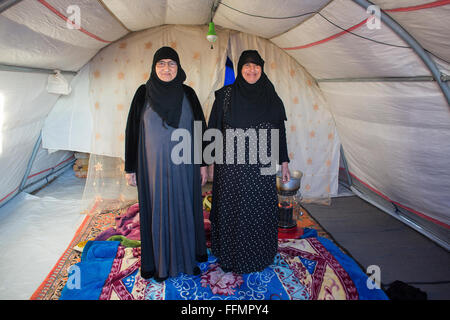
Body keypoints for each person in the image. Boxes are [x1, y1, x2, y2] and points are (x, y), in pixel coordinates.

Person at [124, 46, 208, 282]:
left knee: (185, 206)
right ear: (154, 67)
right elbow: (132, 130)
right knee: (158, 209)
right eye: (161, 64)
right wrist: (130, 167)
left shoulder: (189, 93)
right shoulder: (142, 93)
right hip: (152, 169)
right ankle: (159, 264)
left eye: (171, 64)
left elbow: (201, 129)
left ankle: (187, 259)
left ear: (178, 67)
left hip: (185, 165)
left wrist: (203, 164)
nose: (166, 68)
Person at [207, 50, 290, 274]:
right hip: (230, 167)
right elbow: (213, 128)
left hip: (261, 163)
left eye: (256, 66)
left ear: (261, 68)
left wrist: (284, 162)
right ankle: (230, 254)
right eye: (247, 65)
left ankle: (258, 254)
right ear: (240, 68)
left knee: (257, 209)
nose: (251, 70)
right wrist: (209, 162)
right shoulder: (225, 95)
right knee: (232, 208)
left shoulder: (270, 95)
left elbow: (279, 132)